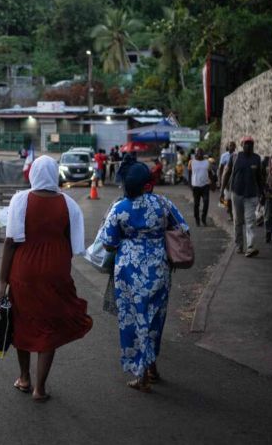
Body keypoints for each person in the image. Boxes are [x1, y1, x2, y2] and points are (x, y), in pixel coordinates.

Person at [0, 156, 92, 402]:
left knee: (23, 322)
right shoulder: (70, 204)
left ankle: (24, 378)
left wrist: (2, 282)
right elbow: (74, 244)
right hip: (56, 272)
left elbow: (10, 241)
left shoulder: (20, 200)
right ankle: (40, 388)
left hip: (24, 271)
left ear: (33, 175)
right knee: (48, 325)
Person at [98, 161, 188, 392]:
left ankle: (141, 375)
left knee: (132, 320)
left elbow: (108, 244)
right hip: (159, 269)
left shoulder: (120, 208)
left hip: (128, 271)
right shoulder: (162, 203)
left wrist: (128, 240)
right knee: (153, 320)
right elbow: (183, 228)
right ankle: (151, 367)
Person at [222, 136, 264, 257]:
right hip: (237, 194)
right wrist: (222, 190)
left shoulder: (256, 159)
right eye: (246, 143)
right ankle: (239, 245)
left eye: (251, 144)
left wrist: (262, 192)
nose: (249, 146)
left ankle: (250, 247)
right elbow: (227, 173)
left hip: (251, 195)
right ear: (242, 145)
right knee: (238, 221)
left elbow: (259, 178)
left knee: (250, 221)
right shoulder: (235, 157)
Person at [189, 148, 211, 226]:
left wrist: (213, 183)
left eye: (201, 152)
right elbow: (189, 173)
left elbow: (209, 172)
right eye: (198, 152)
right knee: (196, 204)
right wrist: (190, 184)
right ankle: (197, 219)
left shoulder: (207, 162)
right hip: (196, 186)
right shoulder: (191, 162)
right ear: (195, 153)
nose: (200, 154)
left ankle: (203, 218)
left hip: (205, 185)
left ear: (203, 153)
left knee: (206, 201)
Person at [218, 141, 236, 221]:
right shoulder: (224, 156)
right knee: (228, 199)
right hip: (226, 180)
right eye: (230, 146)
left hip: (234, 179)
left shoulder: (236, 156)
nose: (231, 147)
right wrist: (220, 180)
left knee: (233, 199)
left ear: (235, 147)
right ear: (227, 147)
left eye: (233, 146)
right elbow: (221, 168)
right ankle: (231, 214)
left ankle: (233, 213)